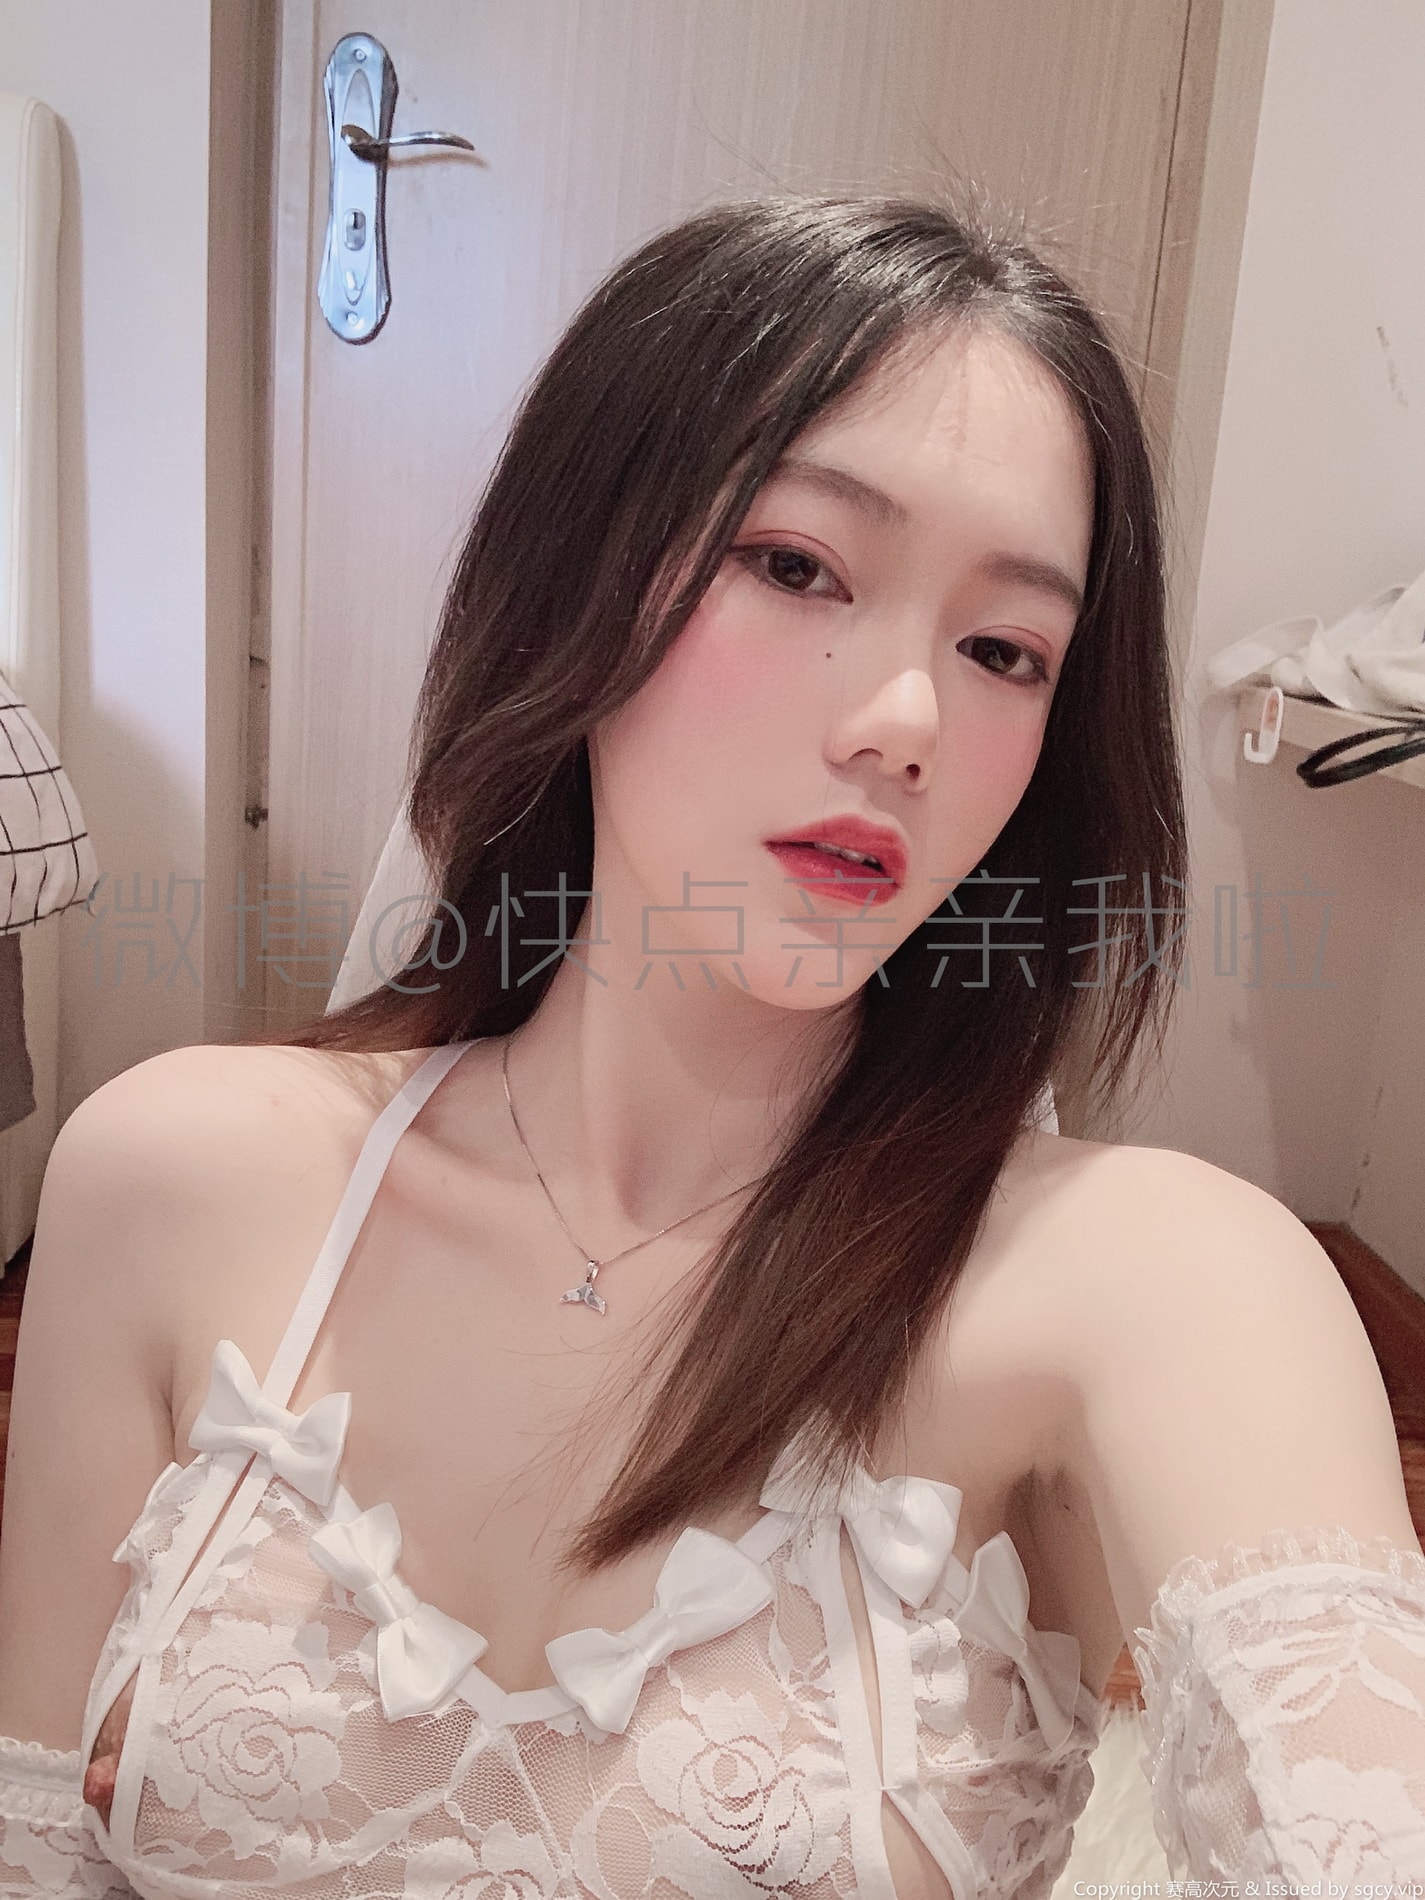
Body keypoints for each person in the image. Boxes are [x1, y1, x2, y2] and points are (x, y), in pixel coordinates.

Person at [0, 197, 1421, 1899]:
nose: (902, 723)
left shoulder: (1146, 1278)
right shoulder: (175, 1173)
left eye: (1002, 650)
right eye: (796, 565)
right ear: (572, 576)